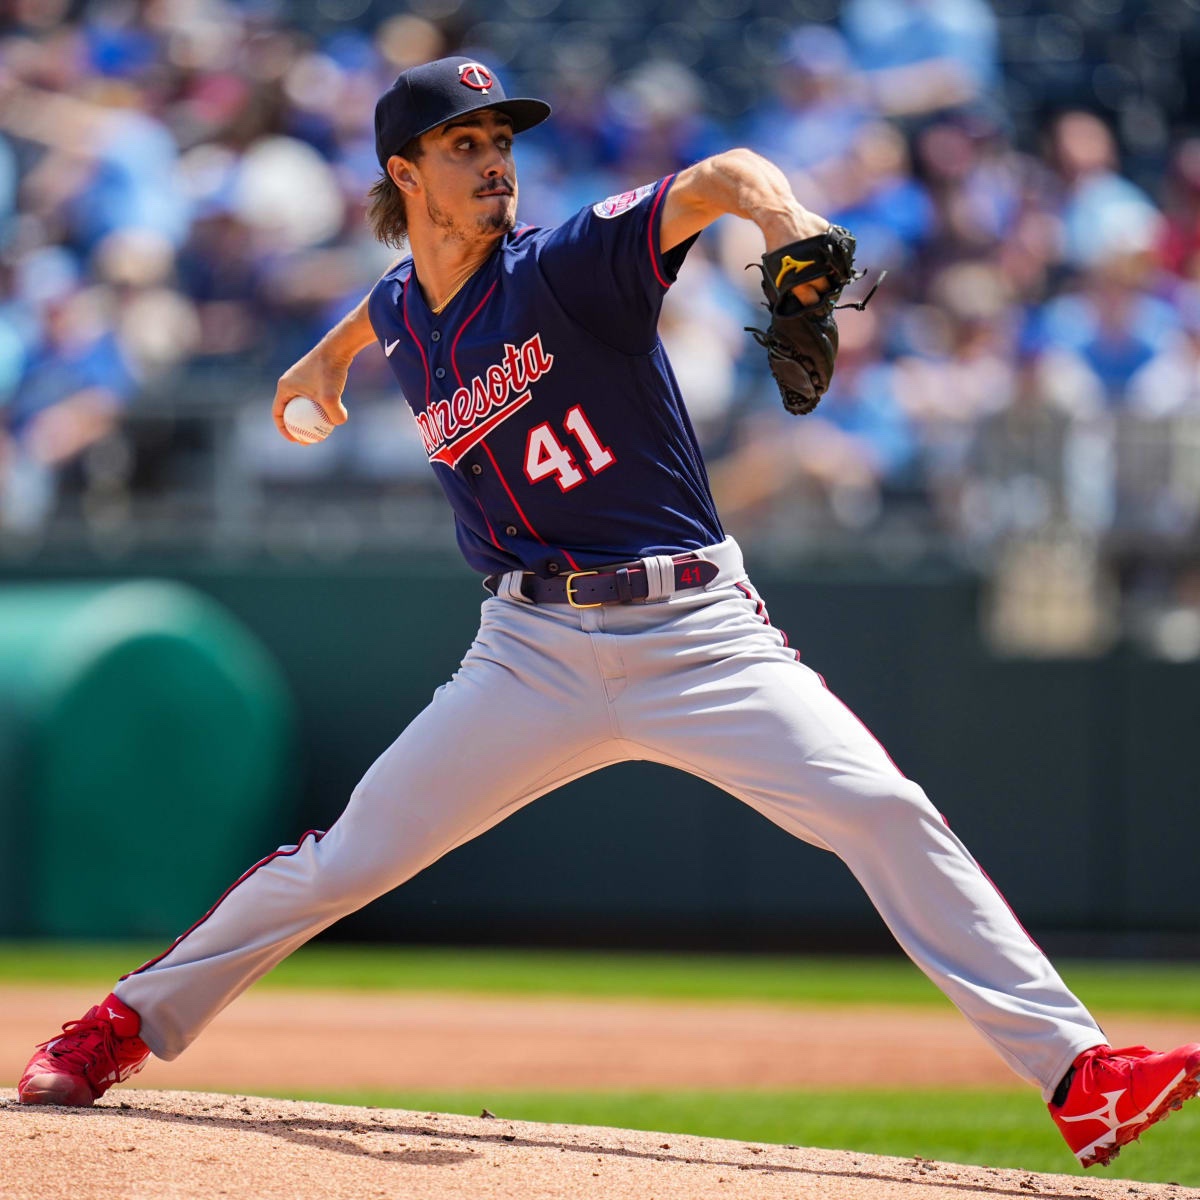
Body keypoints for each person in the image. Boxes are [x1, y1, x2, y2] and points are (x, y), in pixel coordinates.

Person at [17, 55, 1200, 1172]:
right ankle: (118, 1025)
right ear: (401, 174)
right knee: (345, 863)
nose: (494, 161)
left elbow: (727, 176)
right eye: (462, 141)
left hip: (698, 635)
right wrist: (316, 369)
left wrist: (784, 227)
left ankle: (1080, 1074)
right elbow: (382, 313)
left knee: (883, 811)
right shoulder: (404, 310)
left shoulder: (568, 265)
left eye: (501, 141)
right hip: (526, 653)